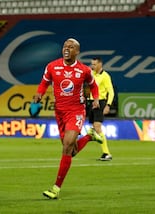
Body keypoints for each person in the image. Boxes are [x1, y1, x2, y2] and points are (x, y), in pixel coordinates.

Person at [34, 38, 103, 199]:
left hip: (76, 111)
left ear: (77, 52)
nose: (67, 48)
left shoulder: (84, 70)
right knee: (70, 151)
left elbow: (93, 85)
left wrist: (96, 99)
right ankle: (89, 136)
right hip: (59, 112)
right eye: (65, 46)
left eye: (71, 47)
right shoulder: (52, 66)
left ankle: (56, 188)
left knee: (66, 146)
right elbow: (44, 83)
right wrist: (40, 93)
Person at [87, 57, 115, 161]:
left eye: (94, 64)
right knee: (93, 127)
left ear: (100, 65)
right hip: (91, 102)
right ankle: (94, 140)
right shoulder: (91, 74)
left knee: (97, 126)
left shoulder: (105, 76)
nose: (92, 66)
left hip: (100, 102)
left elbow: (111, 92)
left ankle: (106, 153)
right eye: (92, 64)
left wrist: (108, 105)